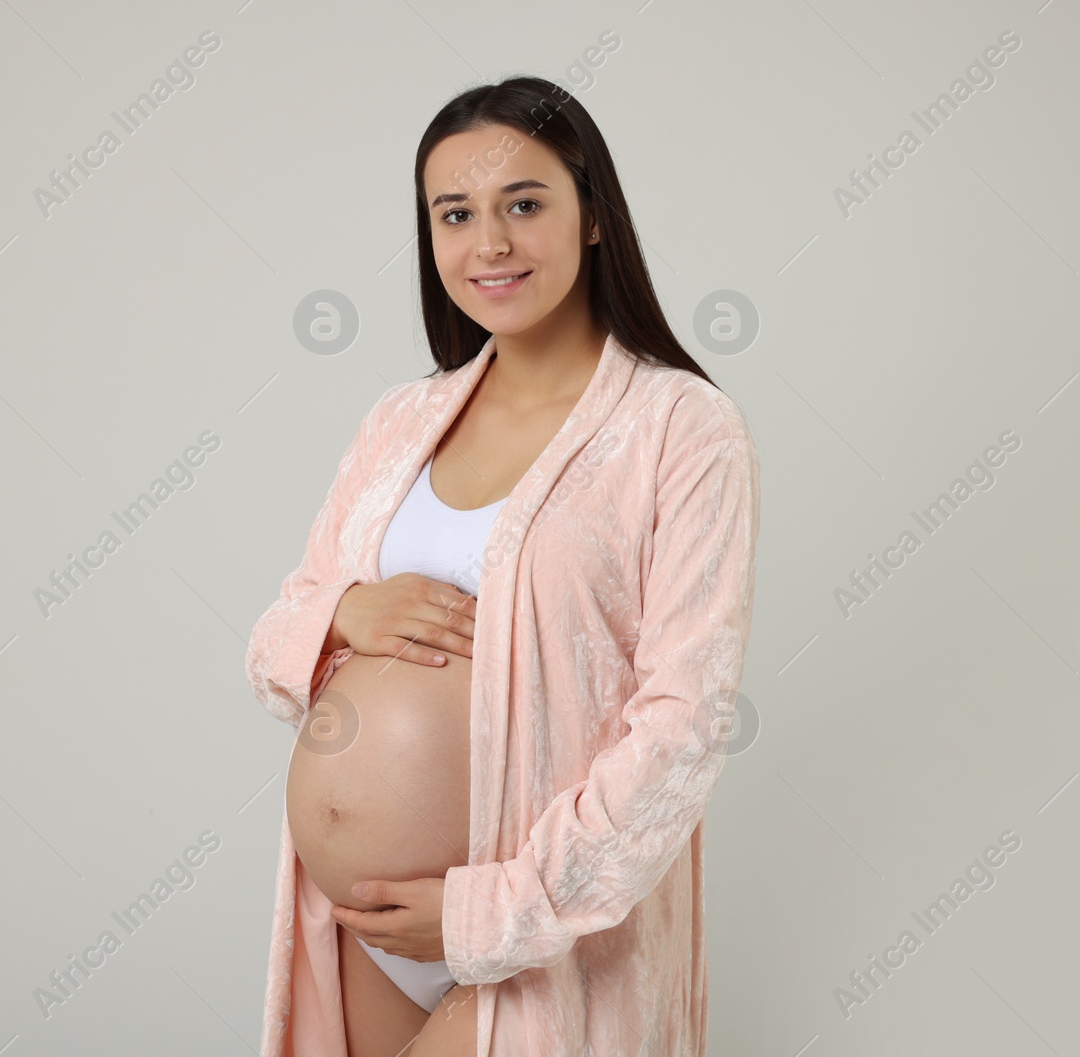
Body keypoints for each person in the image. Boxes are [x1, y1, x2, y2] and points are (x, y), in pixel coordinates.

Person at [247, 74, 760, 1057]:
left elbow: (685, 724)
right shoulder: (400, 420)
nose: (489, 243)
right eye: (456, 214)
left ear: (593, 215)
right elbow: (277, 636)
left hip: (544, 933)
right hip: (363, 922)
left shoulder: (681, 429)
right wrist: (346, 612)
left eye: (524, 204)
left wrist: (491, 912)